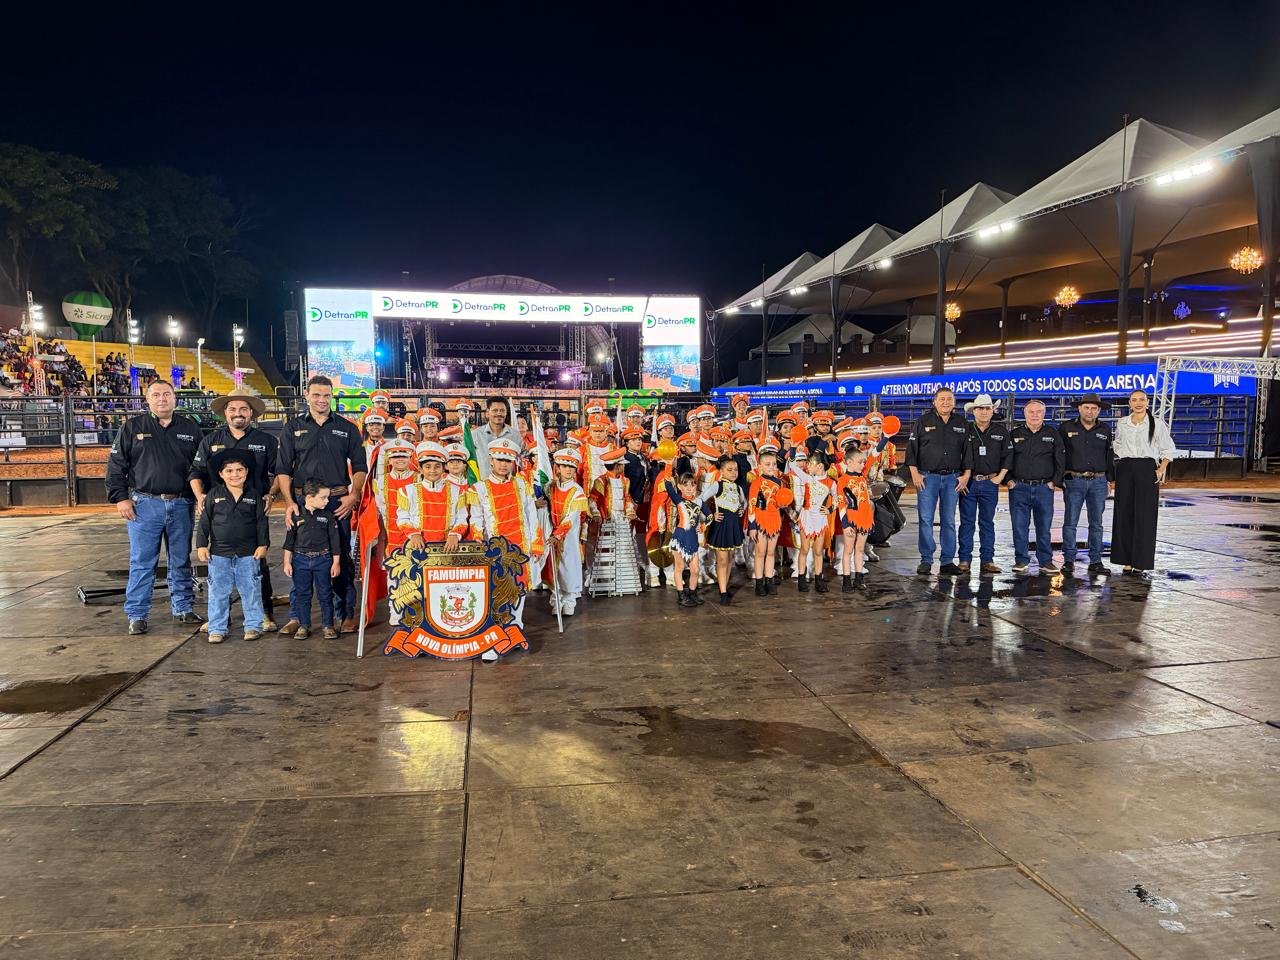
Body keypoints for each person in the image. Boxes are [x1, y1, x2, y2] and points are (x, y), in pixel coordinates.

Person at [105, 379, 204, 635]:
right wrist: (120, 497)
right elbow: (116, 466)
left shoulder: (190, 429)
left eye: (167, 394)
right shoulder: (132, 427)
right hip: (144, 505)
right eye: (156, 395)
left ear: (175, 399)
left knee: (181, 559)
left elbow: (201, 467)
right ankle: (137, 614)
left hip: (181, 503)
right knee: (142, 561)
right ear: (147, 399)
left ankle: (183, 607)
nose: (162, 399)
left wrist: (200, 497)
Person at [276, 375, 368, 635]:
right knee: (298, 555)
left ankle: (345, 614)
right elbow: (283, 468)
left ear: (332, 396)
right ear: (306, 395)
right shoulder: (292, 427)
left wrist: (354, 495)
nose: (321, 400)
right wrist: (289, 503)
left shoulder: (347, 427)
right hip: (302, 505)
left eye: (326, 395)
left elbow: (360, 467)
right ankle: (297, 616)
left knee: (341, 557)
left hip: (338, 502)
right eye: (316, 395)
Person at [189, 386, 279, 631]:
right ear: (224, 413)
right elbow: (195, 472)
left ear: (251, 413)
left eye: (243, 409)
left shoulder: (267, 441)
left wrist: (271, 494)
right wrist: (200, 497)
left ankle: (264, 614)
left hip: (253, 511)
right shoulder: (211, 441)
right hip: (219, 513)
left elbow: (280, 472)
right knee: (219, 568)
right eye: (232, 409)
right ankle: (220, 618)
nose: (238, 413)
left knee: (258, 563)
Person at [469, 436, 544, 658]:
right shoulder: (479, 488)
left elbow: (531, 514)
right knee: (495, 594)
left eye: (508, 460)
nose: (503, 464)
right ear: (491, 460)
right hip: (494, 550)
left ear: (513, 462)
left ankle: (515, 630)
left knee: (519, 590)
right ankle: (493, 637)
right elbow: (477, 519)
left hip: (520, 547)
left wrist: (535, 543)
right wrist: (478, 542)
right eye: (499, 460)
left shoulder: (522, 484)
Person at [195, 450, 269, 644]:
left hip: (248, 554)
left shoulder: (254, 496)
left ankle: (253, 626)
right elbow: (204, 522)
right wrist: (202, 545)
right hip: (219, 554)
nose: (234, 474)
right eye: (229, 471)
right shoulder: (213, 495)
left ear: (246, 472)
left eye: (239, 470)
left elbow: (261, 522)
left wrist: (263, 544)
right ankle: (217, 628)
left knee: (251, 590)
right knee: (218, 592)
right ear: (221, 474)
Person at [906, 387, 971, 576]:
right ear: (934, 402)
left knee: (949, 520)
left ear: (954, 402)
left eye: (949, 399)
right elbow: (912, 449)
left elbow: (967, 451)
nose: (945, 403)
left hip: (952, 479)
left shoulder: (961, 423)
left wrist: (966, 475)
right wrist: (915, 474)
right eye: (941, 399)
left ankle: (947, 561)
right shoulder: (923, 421)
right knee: (925, 519)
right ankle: (926, 560)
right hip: (927, 478)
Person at [1111, 389, 1177, 577]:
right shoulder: (1122, 423)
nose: (1138, 403)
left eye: (1142, 399)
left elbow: (1168, 448)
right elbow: (1118, 444)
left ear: (1147, 402)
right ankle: (1125, 559)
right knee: (1123, 514)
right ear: (1129, 403)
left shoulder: (1156, 423)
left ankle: (1141, 560)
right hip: (1125, 467)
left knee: (1145, 515)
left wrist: (1160, 470)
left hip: (1146, 468)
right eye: (1134, 400)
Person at [1060, 392, 1115, 575]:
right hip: (1074, 480)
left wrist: (1110, 480)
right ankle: (1069, 560)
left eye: (1094, 408)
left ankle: (1096, 561)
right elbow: (1059, 456)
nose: (1090, 411)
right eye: (1086, 407)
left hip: (1099, 481)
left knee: (1097, 523)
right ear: (1079, 408)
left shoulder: (1105, 430)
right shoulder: (1065, 427)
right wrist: (1061, 478)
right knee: (1070, 522)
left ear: (1099, 410)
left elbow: (1109, 457)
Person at [1007, 399, 1065, 575]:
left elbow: (1060, 460)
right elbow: (1005, 458)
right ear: (1024, 414)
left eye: (1038, 411)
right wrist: (1009, 480)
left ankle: (1045, 561)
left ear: (1044, 413)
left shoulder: (1053, 434)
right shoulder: (1014, 434)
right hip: (1019, 488)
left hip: (1044, 489)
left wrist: (1054, 481)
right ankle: (1021, 560)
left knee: (1044, 527)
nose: (1034, 415)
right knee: (1019, 526)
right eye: (1031, 412)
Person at [282, 480, 342, 640]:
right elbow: (289, 541)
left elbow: (335, 541)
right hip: (300, 560)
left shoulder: (328, 516)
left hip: (323, 559)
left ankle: (328, 625)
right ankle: (304, 625)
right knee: (302, 594)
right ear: (309, 497)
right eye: (323, 497)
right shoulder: (296, 515)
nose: (327, 501)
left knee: (325, 594)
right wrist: (287, 562)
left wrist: (336, 562)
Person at [958, 394, 1010, 577]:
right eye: (980, 408)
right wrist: (962, 477)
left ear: (992, 410)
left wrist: (1000, 477)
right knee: (967, 522)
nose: (984, 412)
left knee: (987, 522)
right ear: (974, 411)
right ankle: (964, 560)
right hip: (969, 483)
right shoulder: (965, 430)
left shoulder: (1001, 432)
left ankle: (987, 560)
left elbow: (1008, 456)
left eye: (988, 408)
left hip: (990, 483)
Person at [746, 438, 792, 596]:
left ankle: (769, 579)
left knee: (771, 552)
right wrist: (752, 526)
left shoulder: (780, 483)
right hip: (760, 519)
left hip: (774, 519)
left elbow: (780, 502)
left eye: (774, 464)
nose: (772, 467)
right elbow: (751, 505)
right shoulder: (756, 483)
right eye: (768, 464)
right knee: (760, 552)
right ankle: (759, 582)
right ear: (760, 466)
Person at [547, 447, 590, 615]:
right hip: (552, 534)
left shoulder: (577, 491)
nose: (567, 470)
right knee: (554, 568)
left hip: (568, 536)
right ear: (557, 467)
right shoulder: (551, 487)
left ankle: (570, 600)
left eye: (571, 467)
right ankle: (556, 599)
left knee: (569, 567)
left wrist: (558, 535)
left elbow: (571, 518)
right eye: (564, 466)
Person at [702, 455, 745, 604]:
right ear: (721, 471)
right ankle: (723, 592)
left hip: (733, 525)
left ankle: (724, 587)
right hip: (722, 524)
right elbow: (701, 499)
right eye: (730, 470)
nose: (734, 472)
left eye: (735, 470)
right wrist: (711, 514)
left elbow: (743, 503)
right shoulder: (717, 485)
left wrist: (741, 510)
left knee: (730, 559)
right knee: (722, 559)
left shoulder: (738, 487)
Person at [790, 449, 834, 593]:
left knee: (818, 551)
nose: (807, 466)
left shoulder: (831, 482)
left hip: (820, 519)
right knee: (804, 549)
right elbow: (792, 466)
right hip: (807, 516)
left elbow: (839, 498)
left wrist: (830, 509)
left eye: (810, 463)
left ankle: (818, 580)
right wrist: (793, 448)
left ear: (820, 466)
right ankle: (802, 579)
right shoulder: (808, 478)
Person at [836, 444, 875, 591]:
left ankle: (859, 578)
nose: (863, 464)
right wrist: (845, 524)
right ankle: (847, 580)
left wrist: (887, 437)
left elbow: (874, 456)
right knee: (848, 549)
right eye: (860, 462)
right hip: (851, 518)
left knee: (860, 549)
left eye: (863, 462)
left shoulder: (862, 476)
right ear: (849, 462)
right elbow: (841, 503)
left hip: (864, 518)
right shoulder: (842, 480)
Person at [664, 473, 705, 608]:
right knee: (680, 567)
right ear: (680, 487)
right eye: (685, 485)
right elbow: (668, 485)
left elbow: (710, 515)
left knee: (695, 569)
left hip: (692, 538)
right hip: (680, 537)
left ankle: (692, 593)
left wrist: (704, 525)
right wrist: (669, 464)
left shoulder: (699, 502)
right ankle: (681, 596)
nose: (689, 488)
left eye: (692, 484)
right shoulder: (679, 500)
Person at [472, 396, 524, 478]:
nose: (499, 414)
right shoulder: (475, 435)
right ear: (487, 413)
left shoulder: (515, 435)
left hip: (509, 486)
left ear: (506, 413)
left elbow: (523, 459)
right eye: (495, 410)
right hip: (483, 486)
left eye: (502, 411)